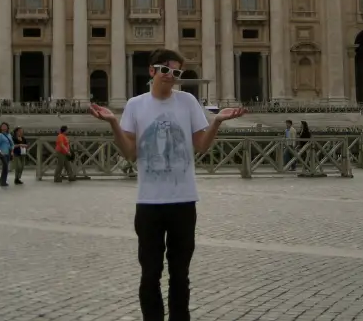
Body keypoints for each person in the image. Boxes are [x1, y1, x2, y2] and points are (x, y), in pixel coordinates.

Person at [89, 48, 246, 321]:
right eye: (165, 70)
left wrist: (217, 121)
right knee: (150, 274)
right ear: (152, 71)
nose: (170, 77)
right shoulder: (135, 105)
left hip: (184, 201)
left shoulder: (187, 102)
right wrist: (113, 122)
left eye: (176, 73)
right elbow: (130, 153)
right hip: (149, 203)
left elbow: (201, 146)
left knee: (180, 275)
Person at [0, 122, 14, 187]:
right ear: (0, 128)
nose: (4, 127)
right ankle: (2, 181)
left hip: (8, 153)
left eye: (5, 126)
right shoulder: (0, 135)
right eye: (2, 126)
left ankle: (3, 181)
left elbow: (12, 144)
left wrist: (12, 150)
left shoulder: (9, 135)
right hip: (2, 153)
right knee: (5, 166)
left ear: (7, 127)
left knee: (5, 167)